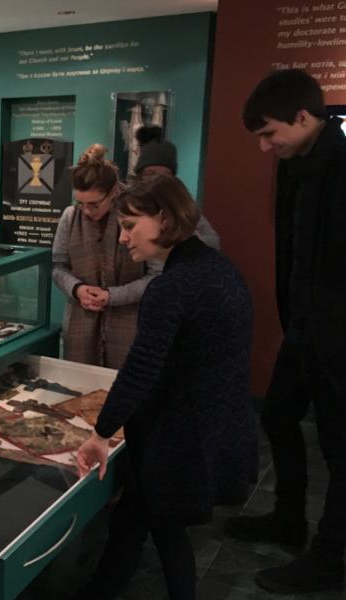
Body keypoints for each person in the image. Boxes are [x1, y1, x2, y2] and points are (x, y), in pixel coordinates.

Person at [75, 174, 255, 600]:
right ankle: (101, 589)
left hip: (176, 439)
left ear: (164, 218)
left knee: (163, 528)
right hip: (209, 426)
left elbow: (141, 369)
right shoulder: (217, 267)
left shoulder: (171, 287)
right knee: (134, 521)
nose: (122, 238)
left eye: (130, 225)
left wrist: (102, 434)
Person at [224, 68, 346, 594]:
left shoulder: (341, 166)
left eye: (269, 133)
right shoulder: (299, 163)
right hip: (305, 328)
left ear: (303, 117)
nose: (265, 146)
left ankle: (328, 558)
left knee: (342, 453)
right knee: (276, 415)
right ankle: (289, 518)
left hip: (338, 338)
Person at [51, 144, 159, 369]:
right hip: (81, 323)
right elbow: (58, 266)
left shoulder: (136, 217)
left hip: (128, 323)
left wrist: (113, 296)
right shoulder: (70, 217)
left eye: (94, 204)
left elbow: (156, 275)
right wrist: (77, 289)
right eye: (80, 203)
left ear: (114, 193)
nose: (86, 211)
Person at [133, 125, 221, 249]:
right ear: (140, 175)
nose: (157, 180)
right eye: (151, 173)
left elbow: (213, 241)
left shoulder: (182, 203)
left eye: (165, 175)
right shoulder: (130, 203)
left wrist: (179, 237)